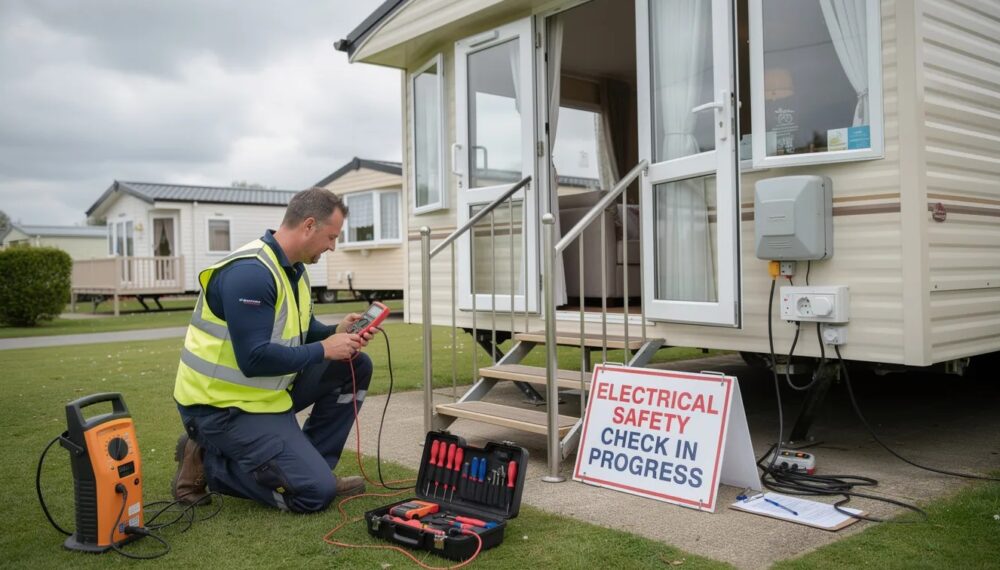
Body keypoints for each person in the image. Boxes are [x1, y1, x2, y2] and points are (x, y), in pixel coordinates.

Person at [171, 187, 374, 513]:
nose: (333, 247)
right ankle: (208, 461)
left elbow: (301, 333)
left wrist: (335, 333)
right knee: (314, 496)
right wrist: (324, 348)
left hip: (264, 397)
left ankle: (314, 466)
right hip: (219, 408)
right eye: (331, 237)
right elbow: (254, 359)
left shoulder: (294, 270)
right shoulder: (250, 274)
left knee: (355, 364)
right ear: (309, 225)